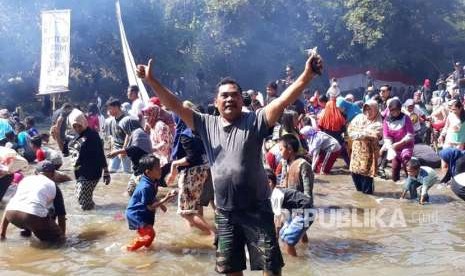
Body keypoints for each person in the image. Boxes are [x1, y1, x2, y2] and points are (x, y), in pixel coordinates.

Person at [136, 51, 322, 275]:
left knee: (271, 268)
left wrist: (307, 75)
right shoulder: (206, 124)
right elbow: (175, 105)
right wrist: (151, 80)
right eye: (224, 95)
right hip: (226, 213)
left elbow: (283, 101)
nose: (229, 99)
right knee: (230, 269)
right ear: (216, 102)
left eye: (234, 95)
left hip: (257, 209)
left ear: (242, 100)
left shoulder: (256, 120)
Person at [168, 109, 215, 236]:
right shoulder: (199, 132)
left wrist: (174, 165)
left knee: (186, 212)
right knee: (193, 206)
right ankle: (194, 233)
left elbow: (191, 158)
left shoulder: (185, 135)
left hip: (191, 173)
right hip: (203, 171)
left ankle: (213, 235)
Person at [0, 161, 67, 243]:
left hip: (11, 214)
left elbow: (10, 205)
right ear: (53, 174)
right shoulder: (53, 186)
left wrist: (2, 233)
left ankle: (26, 232)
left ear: (35, 172)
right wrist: (61, 236)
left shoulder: (25, 180)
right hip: (32, 216)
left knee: (35, 213)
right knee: (58, 242)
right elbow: (61, 216)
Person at [125, 154, 177, 251]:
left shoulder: (152, 180)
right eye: (157, 168)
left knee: (149, 234)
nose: (160, 170)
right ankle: (129, 249)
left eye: (160, 166)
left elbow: (151, 197)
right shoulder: (146, 186)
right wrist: (165, 199)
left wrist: (161, 205)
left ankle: (146, 251)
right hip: (136, 214)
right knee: (150, 234)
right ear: (148, 172)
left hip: (141, 212)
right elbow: (150, 207)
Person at [68, 109, 110, 210]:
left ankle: (96, 215)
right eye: (74, 126)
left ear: (84, 122)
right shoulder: (75, 136)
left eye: (79, 125)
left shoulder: (93, 136)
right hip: (80, 172)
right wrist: (57, 136)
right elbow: (66, 151)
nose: (77, 128)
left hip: (92, 172)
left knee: (83, 201)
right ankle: (97, 211)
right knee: (81, 197)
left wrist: (106, 172)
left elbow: (100, 154)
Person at [267, 169, 313, 257]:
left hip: (305, 212)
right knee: (284, 233)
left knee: (287, 240)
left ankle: (296, 263)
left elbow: (277, 220)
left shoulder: (276, 195)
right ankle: (306, 247)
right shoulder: (277, 192)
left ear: (270, 183)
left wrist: (275, 238)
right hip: (305, 209)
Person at [107, 117, 152, 195]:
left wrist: (117, 152)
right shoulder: (138, 132)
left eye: (124, 128)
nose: (124, 131)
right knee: (130, 191)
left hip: (142, 170)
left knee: (140, 195)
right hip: (139, 169)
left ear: (128, 126)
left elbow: (135, 149)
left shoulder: (138, 133)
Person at [347, 100, 383, 194]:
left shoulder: (379, 122)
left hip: (369, 154)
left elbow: (375, 134)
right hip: (356, 153)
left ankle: (368, 199)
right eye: (366, 109)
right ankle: (360, 200)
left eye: (370, 109)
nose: (368, 112)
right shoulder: (359, 117)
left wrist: (360, 132)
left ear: (375, 110)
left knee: (366, 177)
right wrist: (363, 133)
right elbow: (350, 130)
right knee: (355, 173)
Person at [380, 98, 415, 182]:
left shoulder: (406, 118)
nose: (395, 113)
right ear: (389, 110)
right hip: (394, 147)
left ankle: (412, 183)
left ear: (400, 109)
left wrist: (399, 143)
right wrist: (389, 147)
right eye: (392, 111)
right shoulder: (386, 121)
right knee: (395, 168)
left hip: (406, 145)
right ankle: (396, 184)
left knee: (407, 165)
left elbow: (410, 135)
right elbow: (386, 137)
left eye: (397, 110)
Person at [106, 98, 132, 174]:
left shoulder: (126, 119)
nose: (108, 111)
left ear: (117, 107)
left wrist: (123, 151)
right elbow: (112, 137)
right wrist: (112, 149)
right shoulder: (111, 120)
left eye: (110, 108)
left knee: (127, 172)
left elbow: (129, 135)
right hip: (115, 149)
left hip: (126, 150)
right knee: (111, 171)